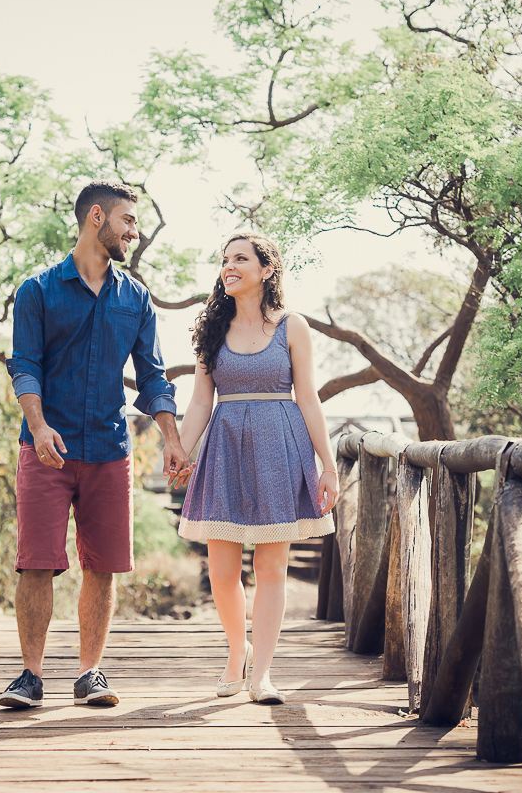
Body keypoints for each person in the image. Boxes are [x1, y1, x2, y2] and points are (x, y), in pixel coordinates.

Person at [0, 180, 189, 709]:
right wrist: (38, 427)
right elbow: (25, 365)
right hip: (45, 448)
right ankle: (30, 676)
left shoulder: (136, 298)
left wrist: (171, 438)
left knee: (101, 565)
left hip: (109, 447)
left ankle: (90, 674)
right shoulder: (37, 291)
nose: (135, 232)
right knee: (35, 562)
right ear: (97, 218)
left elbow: (152, 376)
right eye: (129, 221)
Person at [172, 232, 338, 705]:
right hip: (224, 447)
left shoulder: (292, 326)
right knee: (221, 569)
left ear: (267, 270)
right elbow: (202, 400)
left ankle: (261, 673)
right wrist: (182, 449)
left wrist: (327, 465)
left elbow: (308, 396)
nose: (229, 266)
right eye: (225, 259)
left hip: (279, 447)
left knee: (270, 566)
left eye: (240, 258)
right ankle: (235, 651)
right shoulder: (210, 329)